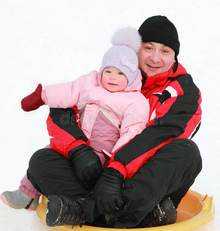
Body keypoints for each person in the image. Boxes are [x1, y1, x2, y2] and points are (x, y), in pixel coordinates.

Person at [4, 15, 202, 229]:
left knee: (187, 152)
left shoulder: (184, 91)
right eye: (148, 47)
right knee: (41, 161)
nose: (155, 58)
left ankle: (86, 210)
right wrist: (78, 150)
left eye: (165, 51)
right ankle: (126, 216)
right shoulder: (114, 74)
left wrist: (117, 170)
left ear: (175, 56)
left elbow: (162, 135)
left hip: (143, 182)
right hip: (100, 173)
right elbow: (64, 106)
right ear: (137, 49)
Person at [1, 27, 149, 211]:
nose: (113, 78)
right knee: (48, 153)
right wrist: (42, 96)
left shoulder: (135, 101)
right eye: (109, 71)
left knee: (87, 175)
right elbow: (69, 91)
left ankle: (85, 205)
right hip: (79, 143)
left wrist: (114, 166)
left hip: (103, 157)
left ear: (131, 77)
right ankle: (28, 193)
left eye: (121, 74)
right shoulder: (90, 82)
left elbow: (131, 134)